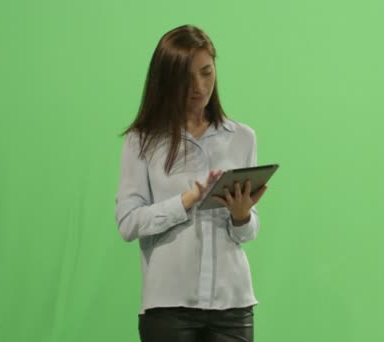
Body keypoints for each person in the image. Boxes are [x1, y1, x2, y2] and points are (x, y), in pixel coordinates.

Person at [114, 24, 268, 342]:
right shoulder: (141, 141)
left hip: (233, 304)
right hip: (168, 306)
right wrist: (186, 200)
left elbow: (247, 233)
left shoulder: (242, 138)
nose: (199, 86)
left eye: (206, 72)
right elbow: (128, 223)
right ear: (166, 80)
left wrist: (242, 216)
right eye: (186, 78)